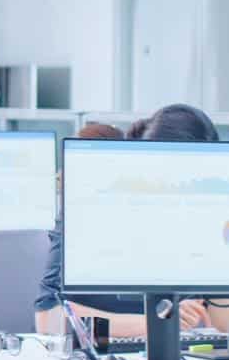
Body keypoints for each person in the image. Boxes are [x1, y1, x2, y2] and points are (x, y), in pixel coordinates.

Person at [36, 105, 225, 336]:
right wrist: (152, 323)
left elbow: (222, 325)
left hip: (182, 356)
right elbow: (49, 319)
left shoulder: (200, 216)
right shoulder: (88, 204)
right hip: (100, 356)